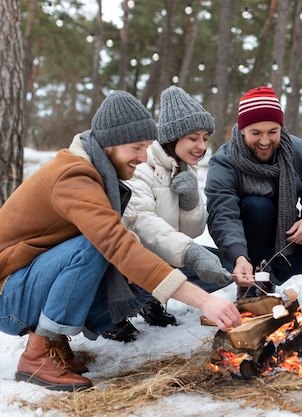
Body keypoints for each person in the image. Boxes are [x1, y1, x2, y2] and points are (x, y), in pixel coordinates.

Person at [0, 91, 242, 391]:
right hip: (7, 296)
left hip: (27, 284)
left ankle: (54, 342)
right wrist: (204, 300)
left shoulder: (99, 171)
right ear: (109, 145)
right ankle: (38, 353)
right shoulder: (73, 176)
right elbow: (112, 241)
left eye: (146, 147)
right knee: (94, 246)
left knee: (130, 271)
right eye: (136, 147)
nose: (142, 158)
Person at [104, 86, 241, 342]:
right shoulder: (140, 166)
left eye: (205, 138)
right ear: (172, 137)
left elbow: (190, 232)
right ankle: (112, 313)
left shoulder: (183, 167)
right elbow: (142, 223)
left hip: (161, 253)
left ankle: (152, 299)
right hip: (126, 259)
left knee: (224, 266)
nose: (201, 146)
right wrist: (190, 252)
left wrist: (189, 204)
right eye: (193, 138)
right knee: (189, 258)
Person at [204, 86, 302, 299]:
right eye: (256, 133)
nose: (265, 141)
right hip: (246, 235)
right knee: (258, 205)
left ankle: (268, 278)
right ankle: (248, 280)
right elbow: (222, 215)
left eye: (272, 132)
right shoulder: (224, 160)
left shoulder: (297, 151)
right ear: (242, 129)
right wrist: (238, 256)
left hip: (284, 234)